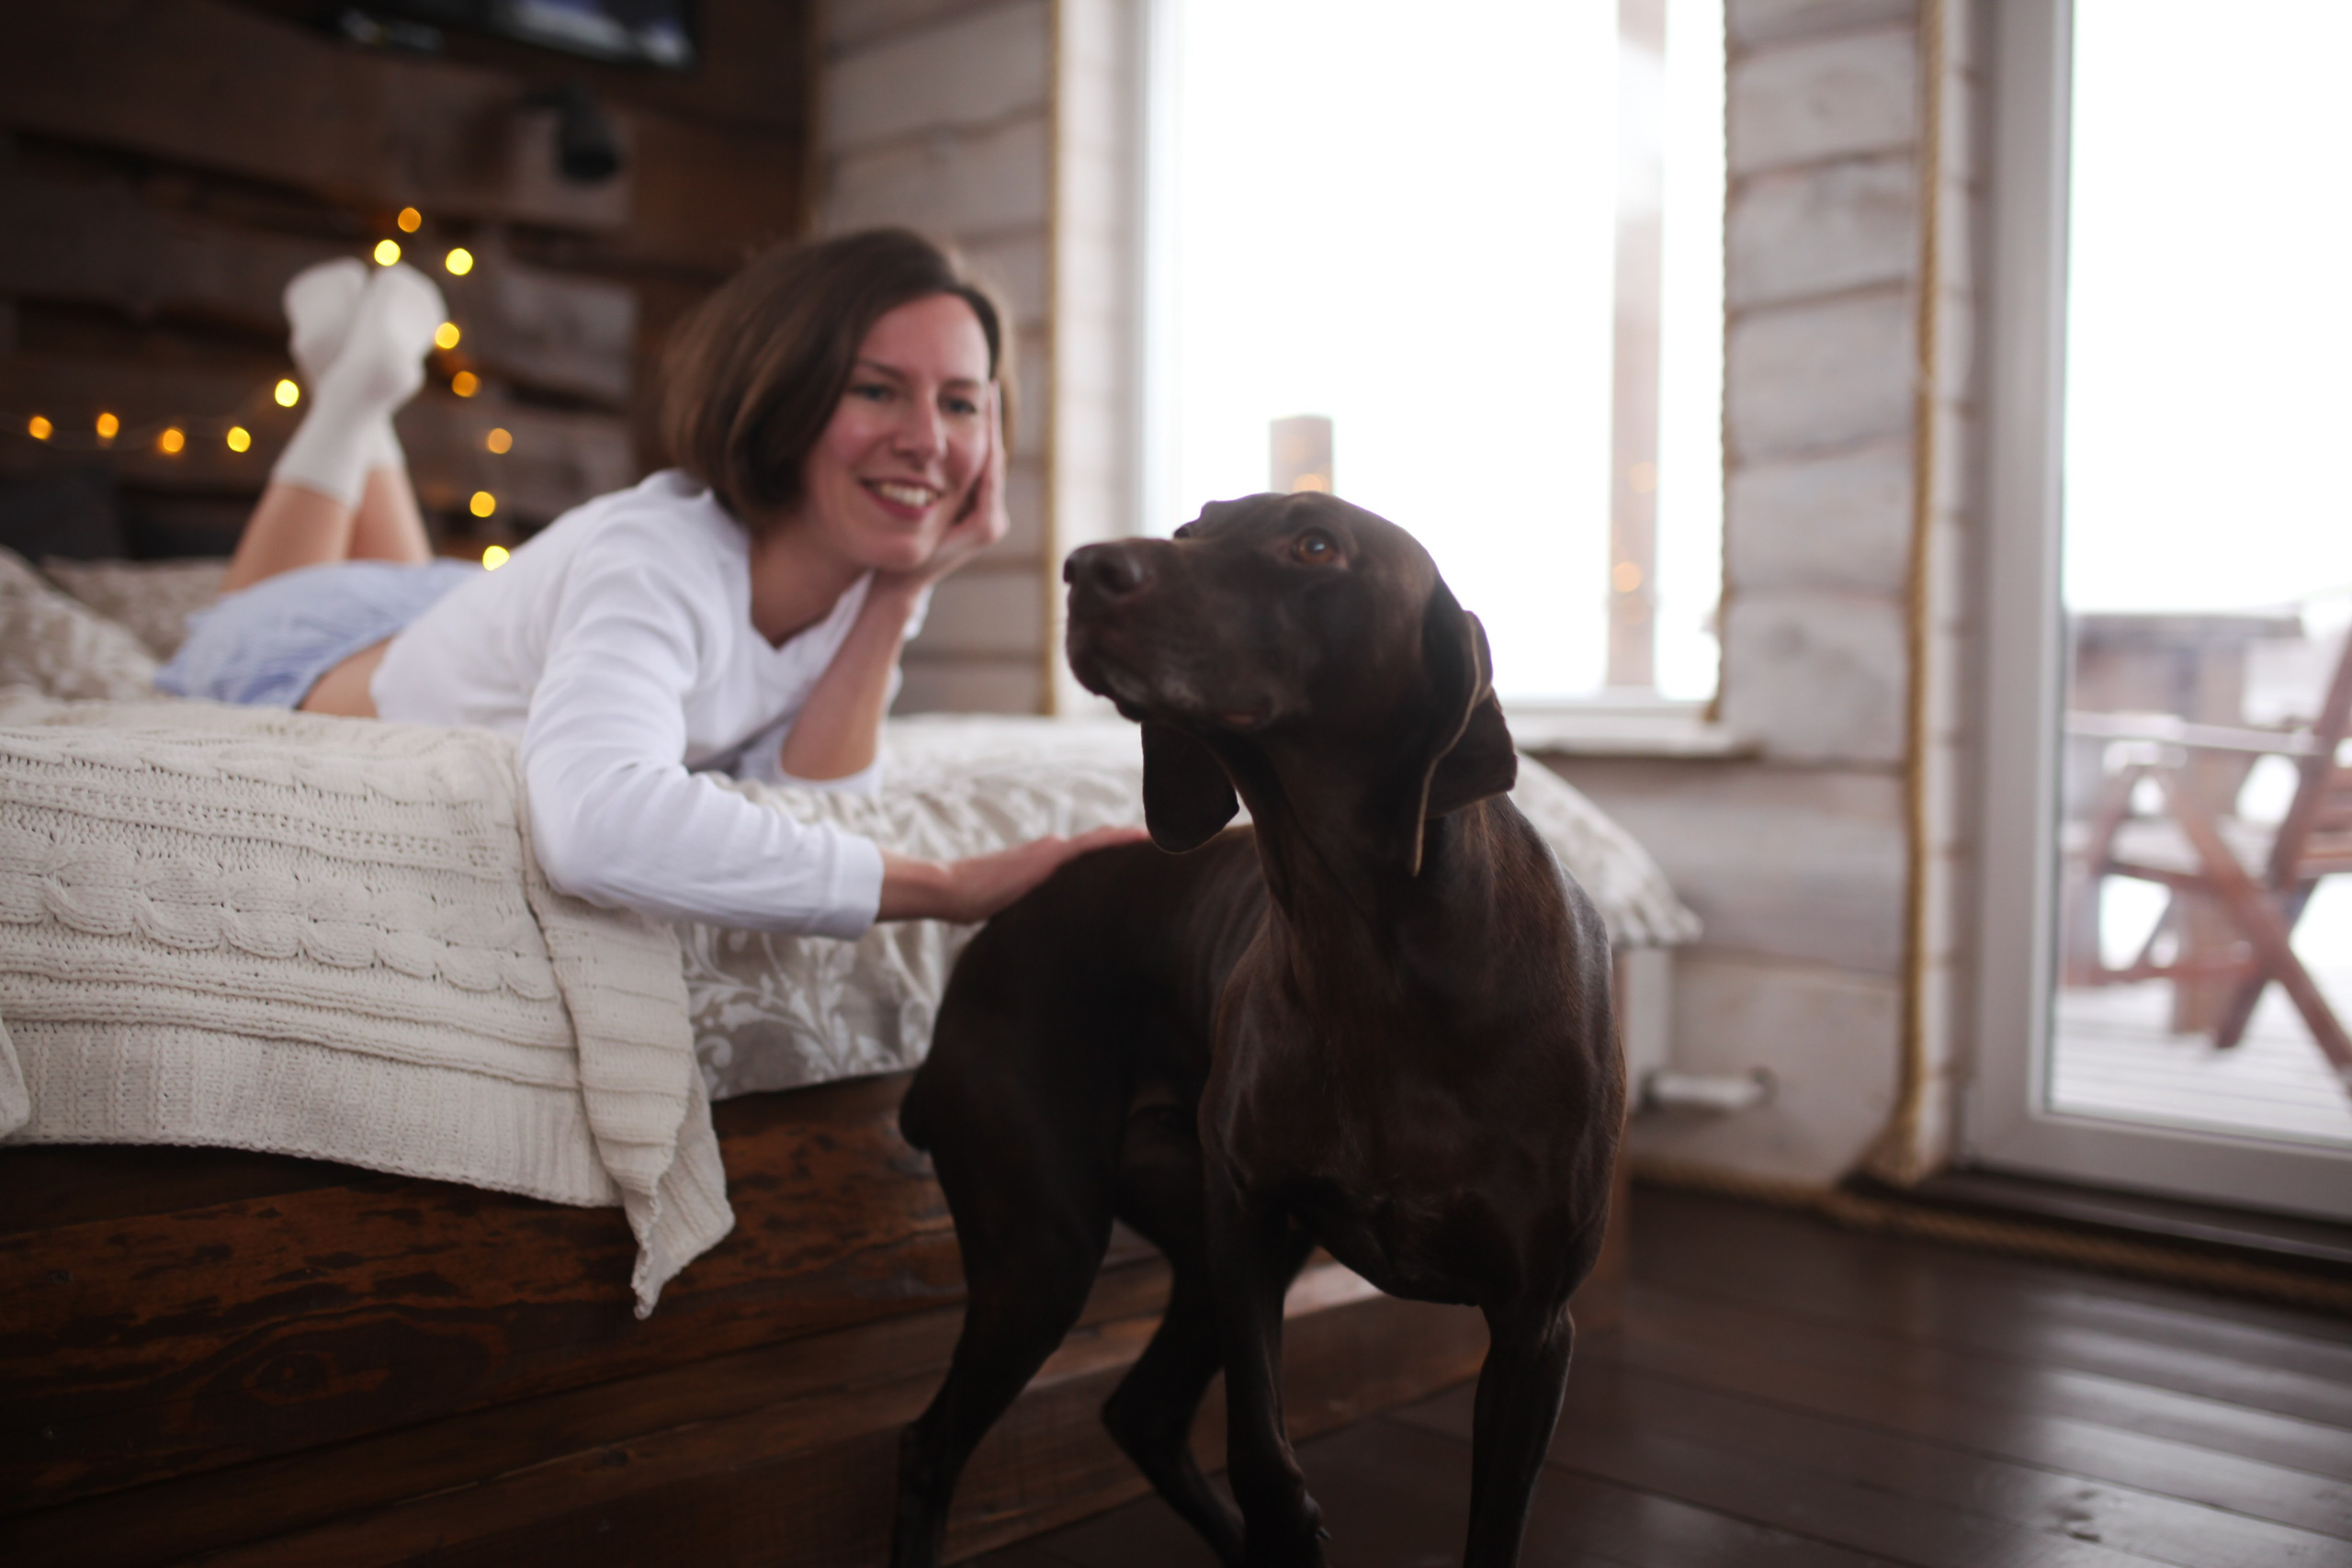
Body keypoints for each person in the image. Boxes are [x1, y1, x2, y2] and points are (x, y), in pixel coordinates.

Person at [158, 229, 1138, 935]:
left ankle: (356, 382)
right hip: (313, 659)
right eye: (876, 389)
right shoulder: (655, 557)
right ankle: (353, 396)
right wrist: (946, 885)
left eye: (962, 403)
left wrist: (900, 590)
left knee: (422, 592)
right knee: (237, 617)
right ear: (784, 391)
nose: (928, 440)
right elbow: (595, 825)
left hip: (449, 613)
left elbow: (810, 797)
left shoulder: (852, 569)